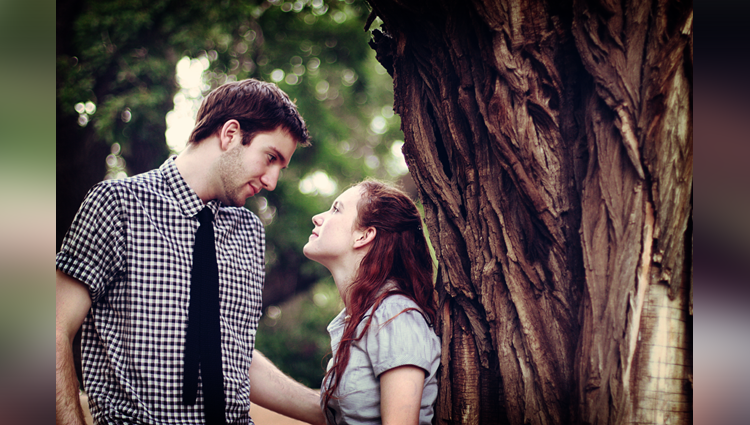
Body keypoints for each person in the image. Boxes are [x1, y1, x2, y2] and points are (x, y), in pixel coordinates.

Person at [56, 78, 325, 425]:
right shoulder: (118, 205)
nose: (271, 181)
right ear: (230, 134)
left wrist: (331, 411)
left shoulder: (248, 231)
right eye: (270, 158)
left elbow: (231, 354)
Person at [302, 180, 441, 425]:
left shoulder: (395, 315)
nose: (317, 217)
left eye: (336, 209)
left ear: (364, 235)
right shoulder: (363, 317)